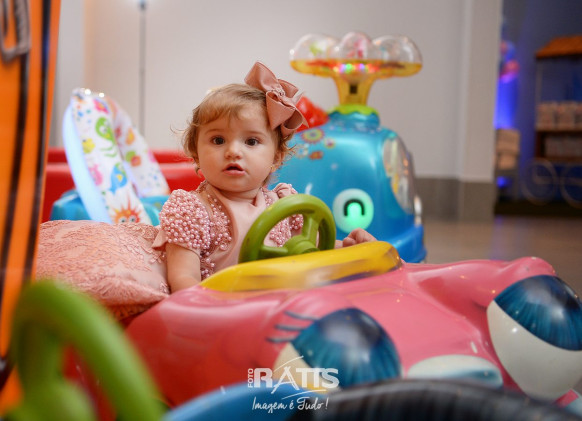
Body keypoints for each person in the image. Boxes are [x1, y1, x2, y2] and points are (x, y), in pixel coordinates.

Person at [153, 62, 376, 292]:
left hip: (279, 305)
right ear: (195, 153)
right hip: (220, 308)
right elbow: (183, 278)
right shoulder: (192, 211)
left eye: (251, 141)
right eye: (218, 140)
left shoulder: (285, 207)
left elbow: (313, 250)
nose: (233, 151)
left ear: (276, 158)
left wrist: (350, 248)